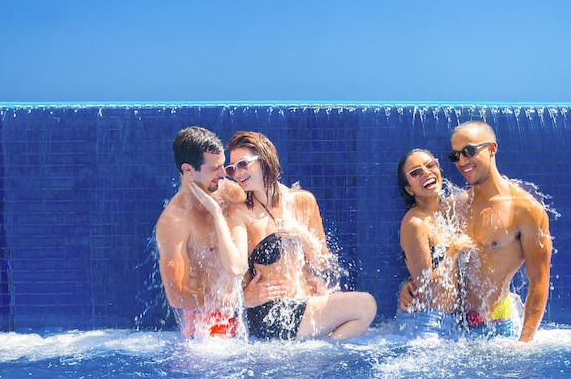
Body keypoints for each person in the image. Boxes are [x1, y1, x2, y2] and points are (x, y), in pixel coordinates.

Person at [225, 130, 376, 341]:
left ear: (265, 158)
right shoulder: (240, 213)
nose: (237, 173)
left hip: (302, 306)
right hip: (271, 313)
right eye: (231, 169)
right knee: (366, 305)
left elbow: (321, 264)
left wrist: (303, 236)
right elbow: (235, 268)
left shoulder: (303, 202)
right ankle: (326, 348)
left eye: (242, 164)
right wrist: (243, 298)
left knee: (362, 310)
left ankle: (325, 348)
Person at [448, 120, 552, 342]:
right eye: (455, 156)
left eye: (469, 151)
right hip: (451, 328)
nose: (462, 162)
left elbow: (539, 279)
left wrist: (524, 342)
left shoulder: (524, 209)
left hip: (497, 330)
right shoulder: (455, 204)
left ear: (492, 148)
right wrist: (408, 286)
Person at [155, 126, 248, 339]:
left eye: (222, 165)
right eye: (214, 168)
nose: (224, 173)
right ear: (188, 170)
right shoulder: (175, 221)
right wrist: (233, 302)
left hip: (245, 311)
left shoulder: (229, 193)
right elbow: (177, 295)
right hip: (206, 325)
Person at [395, 148, 472, 338]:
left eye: (430, 165)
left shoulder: (448, 212)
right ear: (409, 189)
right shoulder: (415, 223)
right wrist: (453, 251)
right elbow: (425, 284)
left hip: (452, 322)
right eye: (416, 173)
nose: (426, 173)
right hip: (425, 322)